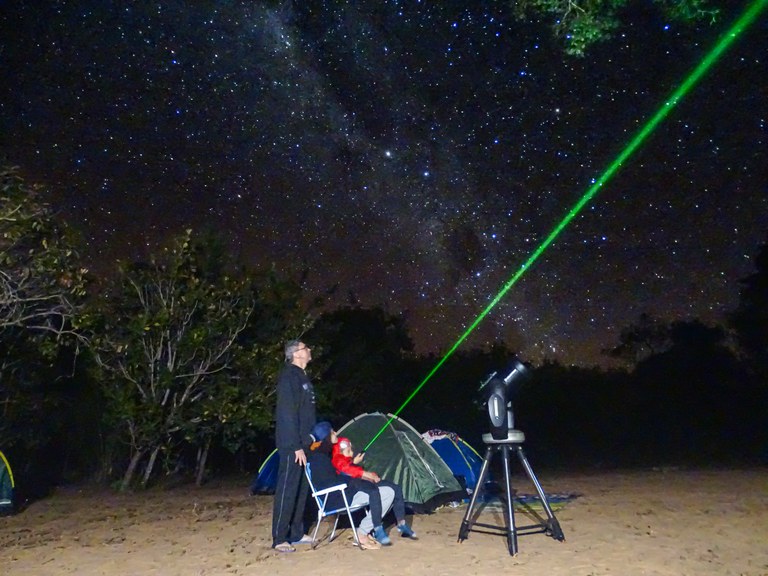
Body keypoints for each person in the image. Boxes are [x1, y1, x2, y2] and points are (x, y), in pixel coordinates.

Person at [307, 422, 396, 550]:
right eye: (332, 432)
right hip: (338, 499)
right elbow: (327, 484)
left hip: (346, 493)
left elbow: (340, 473)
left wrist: (355, 470)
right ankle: (362, 535)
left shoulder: (325, 455)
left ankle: (363, 530)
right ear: (326, 437)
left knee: (388, 491)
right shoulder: (318, 459)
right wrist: (354, 480)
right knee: (385, 493)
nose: (336, 433)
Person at [271, 340, 316, 553]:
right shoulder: (288, 377)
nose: (309, 350)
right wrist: (294, 445)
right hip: (292, 446)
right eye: (306, 348)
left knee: (301, 489)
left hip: (304, 443)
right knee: (288, 489)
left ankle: (296, 532)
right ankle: (280, 537)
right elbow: (287, 414)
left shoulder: (302, 376)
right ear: (296, 354)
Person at [332, 436, 417, 544]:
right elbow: (346, 470)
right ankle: (375, 528)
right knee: (379, 492)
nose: (352, 452)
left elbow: (352, 470)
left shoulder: (347, 461)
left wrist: (365, 471)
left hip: (362, 483)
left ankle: (401, 523)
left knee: (396, 489)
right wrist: (368, 475)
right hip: (355, 490)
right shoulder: (337, 459)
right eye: (349, 450)